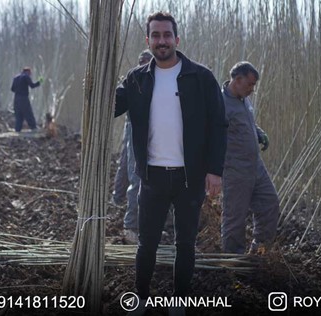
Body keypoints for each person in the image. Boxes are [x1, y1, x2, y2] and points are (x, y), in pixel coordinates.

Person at [114, 12, 227, 316]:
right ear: (148, 40)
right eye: (155, 35)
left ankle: (179, 301)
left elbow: (219, 124)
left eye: (166, 35)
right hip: (152, 177)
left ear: (176, 39)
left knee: (185, 244)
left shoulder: (201, 77)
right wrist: (94, 89)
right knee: (147, 243)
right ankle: (140, 297)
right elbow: (110, 107)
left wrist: (215, 171)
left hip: (189, 177)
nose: (161, 41)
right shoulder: (137, 78)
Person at [220, 62, 279, 255]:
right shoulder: (220, 104)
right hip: (235, 170)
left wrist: (259, 133)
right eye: (250, 85)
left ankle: (259, 249)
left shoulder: (244, 99)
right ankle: (232, 260)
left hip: (256, 167)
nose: (252, 90)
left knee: (270, 203)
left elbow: (247, 123)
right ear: (237, 80)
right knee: (234, 217)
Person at [113, 49, 155, 244]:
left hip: (151, 133)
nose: (144, 65)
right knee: (134, 174)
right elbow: (115, 105)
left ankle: (118, 199)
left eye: (147, 62)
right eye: (142, 62)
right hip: (133, 129)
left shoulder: (159, 80)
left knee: (129, 169)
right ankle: (131, 225)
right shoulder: (133, 79)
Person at [11, 67, 42, 132]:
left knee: (19, 115)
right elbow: (32, 86)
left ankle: (17, 129)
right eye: (30, 73)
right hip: (23, 98)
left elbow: (12, 89)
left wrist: (19, 90)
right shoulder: (26, 76)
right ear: (28, 72)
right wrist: (40, 81)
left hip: (16, 99)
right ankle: (33, 128)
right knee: (28, 113)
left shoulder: (16, 77)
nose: (30, 74)